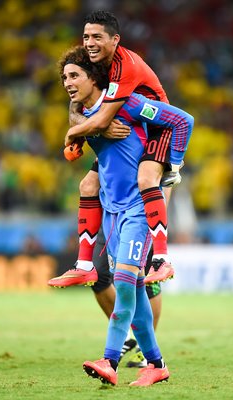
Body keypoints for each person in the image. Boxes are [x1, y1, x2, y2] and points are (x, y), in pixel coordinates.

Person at [51, 45, 193, 386]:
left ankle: (110, 359)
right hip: (111, 213)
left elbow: (181, 119)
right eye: (65, 77)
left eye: (75, 76)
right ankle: (157, 364)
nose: (68, 83)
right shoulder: (88, 118)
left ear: (94, 77)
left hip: (139, 212)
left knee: (125, 287)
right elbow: (77, 144)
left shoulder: (128, 105)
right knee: (138, 296)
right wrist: (83, 134)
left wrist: (171, 166)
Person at [50, 10, 183, 287]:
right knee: (88, 185)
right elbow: (79, 107)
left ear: (115, 40)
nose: (89, 42)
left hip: (155, 132)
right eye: (86, 36)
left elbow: (100, 118)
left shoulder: (125, 66)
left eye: (96, 37)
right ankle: (84, 265)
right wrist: (91, 125)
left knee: (146, 182)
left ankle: (160, 259)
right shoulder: (96, 66)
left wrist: (77, 131)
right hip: (126, 137)